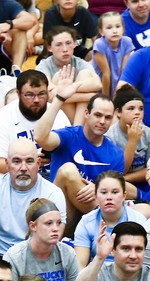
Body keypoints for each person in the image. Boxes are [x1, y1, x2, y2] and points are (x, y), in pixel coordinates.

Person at [33, 79, 122, 226]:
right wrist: (59, 99)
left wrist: (100, 188)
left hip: (91, 218)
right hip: (58, 218)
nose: (102, 121)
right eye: (98, 115)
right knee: (67, 170)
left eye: (107, 117)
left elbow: (116, 191)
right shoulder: (70, 136)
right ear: (86, 114)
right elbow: (40, 137)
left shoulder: (116, 154)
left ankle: (105, 229)